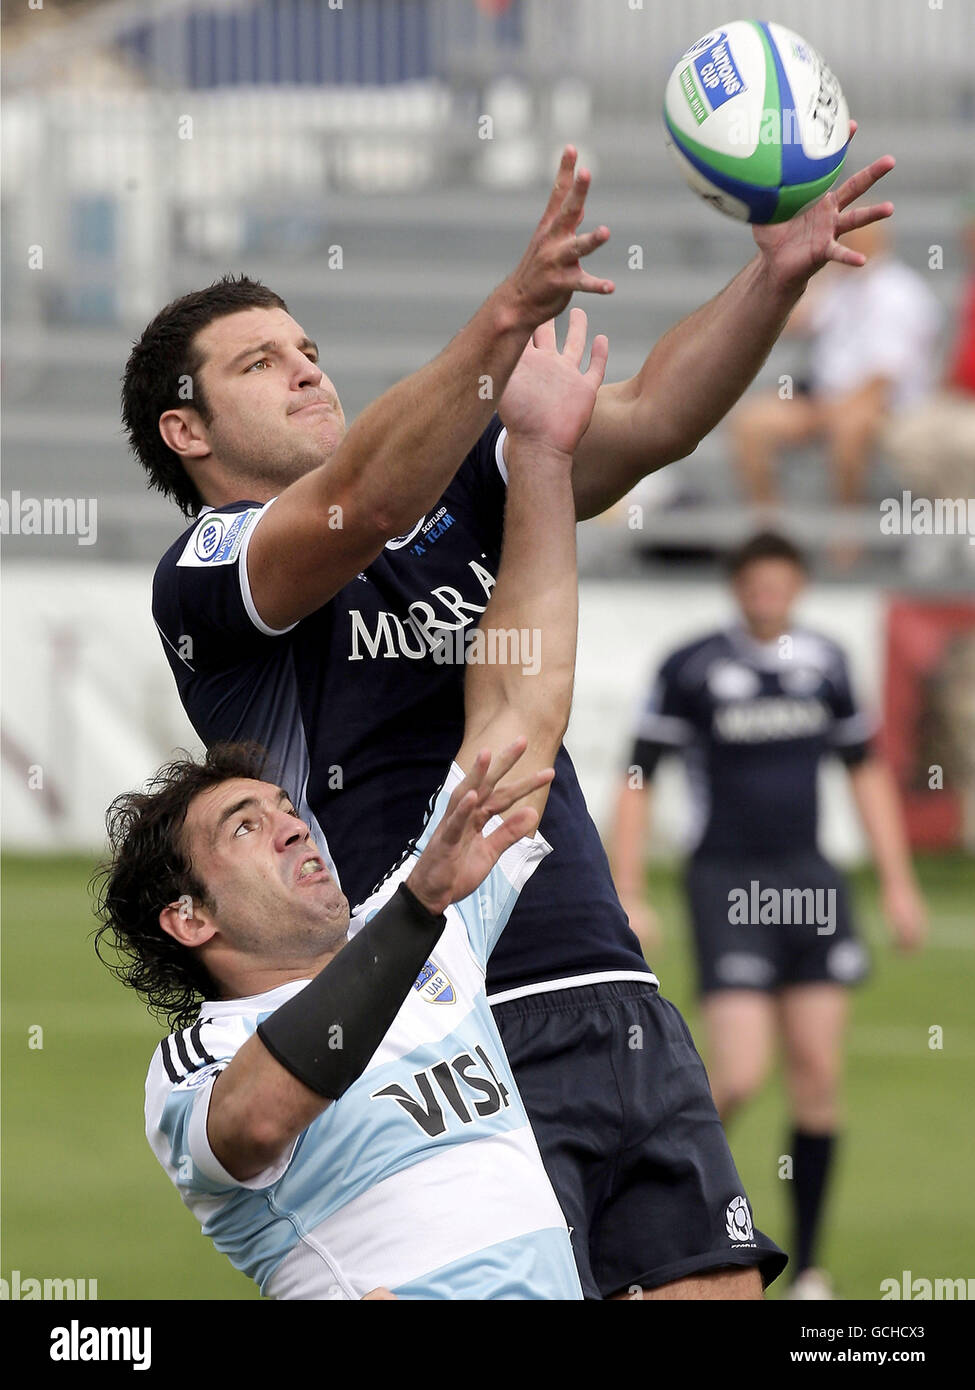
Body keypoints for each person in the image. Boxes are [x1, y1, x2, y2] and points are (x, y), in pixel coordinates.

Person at [124, 139, 892, 1299]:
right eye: (260, 363)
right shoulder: (210, 568)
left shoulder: (452, 493)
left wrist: (774, 278)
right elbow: (359, 502)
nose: (306, 372)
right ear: (189, 432)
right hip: (448, 1013)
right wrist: (502, 323)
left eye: (312, 351)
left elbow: (645, 421)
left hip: (602, 967)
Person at [95, 315, 598, 1298]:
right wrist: (416, 909)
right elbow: (253, 1122)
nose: (288, 821)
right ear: (188, 915)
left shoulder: (423, 929)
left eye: (281, 805)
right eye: (245, 826)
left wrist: (539, 456)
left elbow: (522, 714)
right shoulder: (202, 1055)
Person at [610, 530, 927, 1299]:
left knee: (817, 1073)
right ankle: (638, 1216)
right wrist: (625, 887)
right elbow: (636, 778)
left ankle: (807, 1267)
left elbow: (865, 772)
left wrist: (897, 881)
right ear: (736, 587)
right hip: (727, 885)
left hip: (811, 886)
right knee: (741, 1074)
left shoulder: (825, 662)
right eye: (754, 583)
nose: (767, 595)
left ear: (797, 586)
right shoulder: (690, 667)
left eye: (780, 582)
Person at [729, 222, 943, 515]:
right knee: (751, 422)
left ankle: (846, 532)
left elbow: (884, 379)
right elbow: (791, 323)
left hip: (881, 405)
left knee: (848, 428)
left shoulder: (902, 293)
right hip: (823, 398)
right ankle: (769, 525)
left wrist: (833, 409)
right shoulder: (838, 284)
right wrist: (819, 275)